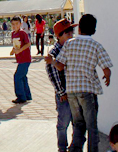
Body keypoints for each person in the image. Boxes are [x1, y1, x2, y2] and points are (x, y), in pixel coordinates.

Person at [54, 14, 113, 152]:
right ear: (94, 30)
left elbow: (60, 66)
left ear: (79, 28)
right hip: (88, 91)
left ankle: (75, 149)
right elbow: (106, 69)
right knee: (91, 126)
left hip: (71, 91)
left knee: (78, 124)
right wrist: (107, 77)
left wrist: (52, 61)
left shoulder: (69, 44)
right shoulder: (96, 46)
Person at [45, 19, 78, 152]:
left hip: (75, 92)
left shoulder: (72, 49)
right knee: (63, 123)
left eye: (71, 33)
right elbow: (53, 75)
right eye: (68, 34)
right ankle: (62, 147)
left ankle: (75, 146)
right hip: (64, 95)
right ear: (59, 36)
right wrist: (61, 92)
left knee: (77, 122)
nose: (71, 36)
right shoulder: (54, 52)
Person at [10, 16, 31, 103]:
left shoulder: (23, 33)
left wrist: (20, 50)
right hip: (20, 59)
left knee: (17, 76)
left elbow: (28, 44)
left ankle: (21, 96)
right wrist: (12, 51)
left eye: (17, 24)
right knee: (22, 77)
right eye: (13, 24)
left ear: (20, 24)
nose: (15, 26)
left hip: (25, 58)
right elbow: (15, 45)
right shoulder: (13, 34)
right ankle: (27, 95)